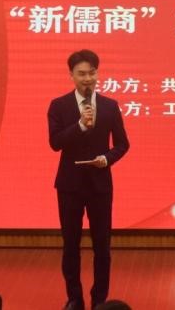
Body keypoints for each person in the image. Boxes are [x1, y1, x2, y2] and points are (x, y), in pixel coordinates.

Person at [48, 49, 131, 310]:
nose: (87, 79)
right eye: (81, 74)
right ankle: (75, 299)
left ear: (97, 74)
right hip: (69, 186)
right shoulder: (59, 106)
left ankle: (99, 300)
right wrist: (81, 126)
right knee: (71, 246)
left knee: (102, 248)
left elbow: (122, 144)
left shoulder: (109, 106)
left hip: (100, 185)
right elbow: (55, 143)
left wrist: (106, 159)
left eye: (91, 73)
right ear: (71, 75)